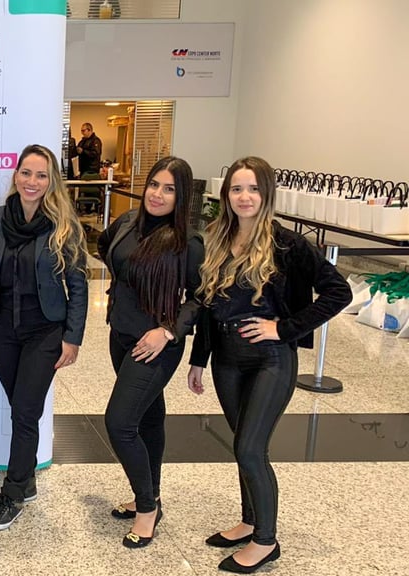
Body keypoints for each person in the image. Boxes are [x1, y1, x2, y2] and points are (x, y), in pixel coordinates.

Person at [187, 157, 352, 573]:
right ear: (226, 195)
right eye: (237, 189)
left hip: (270, 360)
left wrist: (284, 328)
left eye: (253, 189)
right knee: (241, 444)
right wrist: (199, 359)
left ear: (267, 194)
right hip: (227, 358)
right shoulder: (218, 239)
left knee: (250, 448)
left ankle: (266, 540)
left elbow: (339, 292)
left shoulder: (288, 244)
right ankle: (249, 521)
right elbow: (208, 305)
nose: (245, 197)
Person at [0, 144, 89, 531]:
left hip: (45, 330)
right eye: (26, 173)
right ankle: (27, 478)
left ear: (51, 181)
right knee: (20, 407)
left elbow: (78, 285)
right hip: (3, 329)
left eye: (41, 175)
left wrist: (73, 337)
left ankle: (13, 493)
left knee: (25, 411)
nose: (32, 181)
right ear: (16, 175)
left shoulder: (64, 224)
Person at [97, 156, 204, 548]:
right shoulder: (128, 222)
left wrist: (168, 330)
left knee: (119, 423)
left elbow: (201, 298)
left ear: (182, 196)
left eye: (169, 189)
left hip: (156, 345)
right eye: (154, 185)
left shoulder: (188, 243)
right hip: (121, 336)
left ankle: (147, 509)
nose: (158, 194)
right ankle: (152, 494)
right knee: (148, 418)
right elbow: (106, 247)